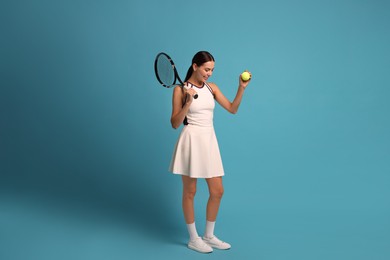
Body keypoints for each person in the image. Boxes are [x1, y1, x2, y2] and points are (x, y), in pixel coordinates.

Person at [169, 51, 251, 253]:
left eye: (212, 70)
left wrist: (241, 88)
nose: (209, 73)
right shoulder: (180, 90)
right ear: (195, 66)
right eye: (207, 69)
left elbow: (232, 109)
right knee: (190, 192)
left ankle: (209, 235)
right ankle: (193, 238)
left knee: (217, 191)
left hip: (209, 141)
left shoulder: (211, 88)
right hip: (191, 140)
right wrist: (187, 103)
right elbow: (174, 123)